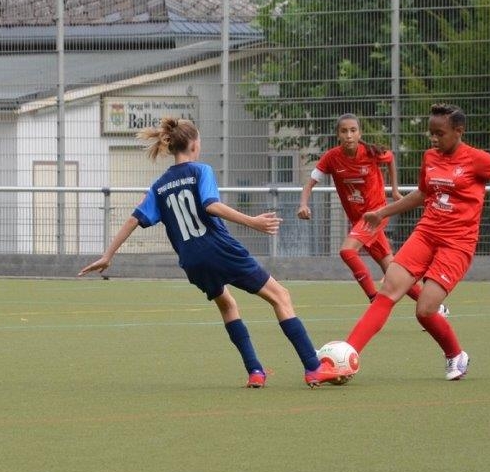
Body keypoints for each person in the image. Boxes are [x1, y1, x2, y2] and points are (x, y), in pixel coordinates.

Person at [78, 117, 344, 389]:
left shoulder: (159, 185)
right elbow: (210, 205)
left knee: (227, 304)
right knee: (280, 296)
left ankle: (255, 371)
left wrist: (108, 255)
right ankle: (313, 367)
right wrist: (252, 221)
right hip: (219, 249)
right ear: (194, 145)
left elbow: (134, 219)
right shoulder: (200, 170)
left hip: (192, 261)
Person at [342, 102, 490, 380]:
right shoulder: (430, 157)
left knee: (425, 310)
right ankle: (346, 355)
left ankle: (456, 355)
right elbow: (421, 194)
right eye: (431, 133)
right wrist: (381, 213)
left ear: (458, 131)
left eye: (440, 133)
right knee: (389, 288)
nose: (434, 139)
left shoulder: (476, 159)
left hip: (457, 243)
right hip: (426, 233)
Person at [297, 113, 449, 319]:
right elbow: (309, 183)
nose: (349, 135)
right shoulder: (331, 158)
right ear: (338, 135)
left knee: (347, 251)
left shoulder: (370, 153)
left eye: (353, 130)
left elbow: (390, 158)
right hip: (358, 220)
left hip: (376, 214)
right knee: (393, 274)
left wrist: (394, 191)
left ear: (360, 133)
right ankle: (438, 310)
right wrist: (303, 204)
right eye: (344, 131)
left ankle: (373, 297)